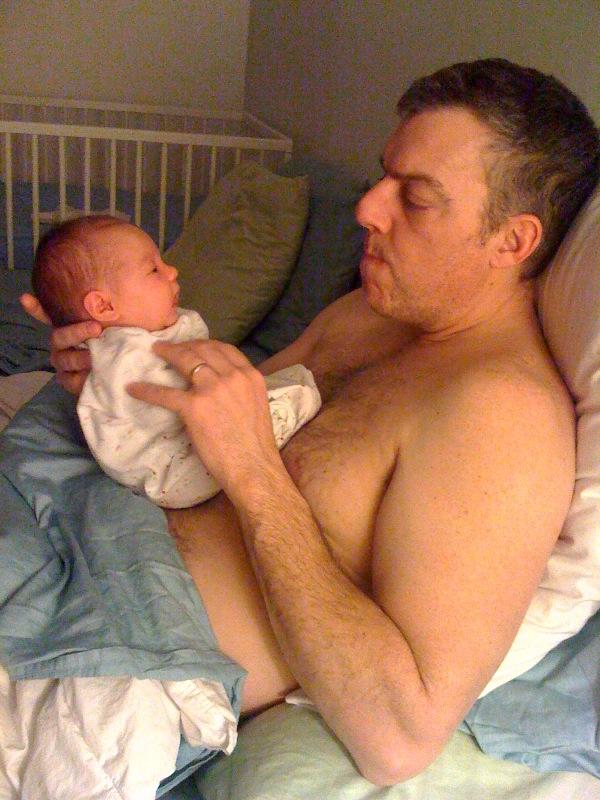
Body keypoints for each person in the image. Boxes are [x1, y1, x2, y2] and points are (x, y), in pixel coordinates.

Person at [21, 59, 600, 785]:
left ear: (512, 242)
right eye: (383, 176)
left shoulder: (501, 416)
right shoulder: (369, 313)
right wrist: (111, 376)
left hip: (104, 664)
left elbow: (401, 738)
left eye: (416, 198)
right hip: (68, 547)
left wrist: (254, 472)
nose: (368, 209)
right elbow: (215, 417)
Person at [31, 216, 321, 507]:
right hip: (177, 470)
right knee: (297, 396)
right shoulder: (127, 358)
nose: (172, 271)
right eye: (154, 269)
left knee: (285, 384)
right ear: (104, 306)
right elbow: (173, 400)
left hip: (182, 460)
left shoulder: (122, 343)